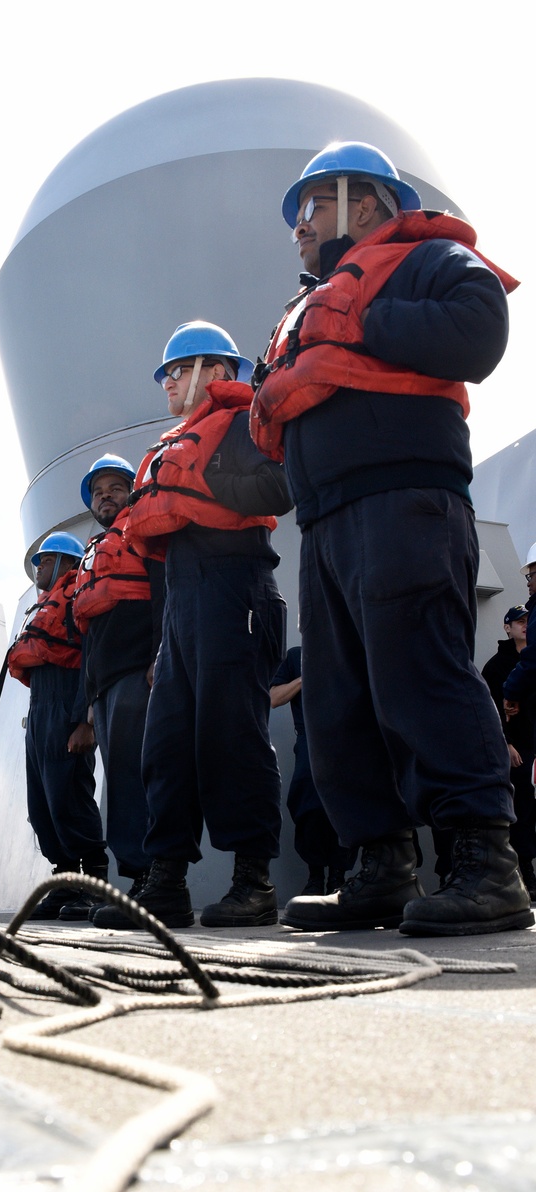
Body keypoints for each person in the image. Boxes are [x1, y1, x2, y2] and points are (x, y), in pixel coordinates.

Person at [251, 141, 531, 936]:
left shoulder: (427, 259)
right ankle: (380, 862)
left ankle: (486, 865)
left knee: (422, 675)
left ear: (364, 200)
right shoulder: (306, 310)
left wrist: (364, 315)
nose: (298, 227)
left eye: (311, 207)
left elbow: (481, 331)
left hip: (407, 501)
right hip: (328, 521)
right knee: (340, 700)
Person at [95, 321, 291, 930]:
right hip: (182, 606)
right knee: (167, 748)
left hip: (237, 593)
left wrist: (203, 483)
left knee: (234, 738)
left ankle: (252, 881)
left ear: (218, 371)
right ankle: (166, 884)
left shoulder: (240, 424)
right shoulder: (174, 444)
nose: (168, 383)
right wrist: (163, 639)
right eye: (166, 374)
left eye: (178, 370)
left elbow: (279, 487)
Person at [68, 454, 164, 922]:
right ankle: (136, 881)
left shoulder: (142, 530)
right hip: (104, 685)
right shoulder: (93, 552)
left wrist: (159, 654)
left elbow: (163, 591)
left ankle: (156, 880)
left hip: (136, 672)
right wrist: (88, 703)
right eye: (98, 491)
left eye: (114, 488)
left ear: (131, 490)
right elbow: (89, 631)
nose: (106, 497)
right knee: (122, 783)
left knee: (144, 776)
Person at [6, 531, 107, 918]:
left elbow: (89, 660)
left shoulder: (76, 601)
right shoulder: (44, 608)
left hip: (67, 705)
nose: (39, 569)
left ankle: (95, 886)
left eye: (46, 561)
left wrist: (86, 721)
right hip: (41, 710)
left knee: (70, 798)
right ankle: (66, 881)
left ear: (68, 564)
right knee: (43, 805)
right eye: (37, 563)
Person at [270, 644, 355, 896]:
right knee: (308, 805)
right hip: (310, 738)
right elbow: (274, 697)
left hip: (348, 738)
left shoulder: (349, 649)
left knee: (344, 808)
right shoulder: (296, 656)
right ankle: (315, 877)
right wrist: (307, 676)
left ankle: (338, 878)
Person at [481, 605, 536, 900]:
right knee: (522, 813)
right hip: (519, 750)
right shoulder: (496, 667)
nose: (525, 625)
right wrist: (507, 743)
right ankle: (526, 875)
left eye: (528, 620)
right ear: (507, 628)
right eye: (519, 622)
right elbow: (490, 711)